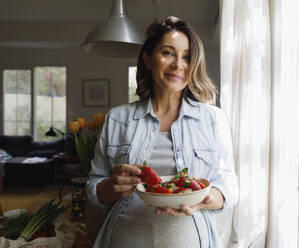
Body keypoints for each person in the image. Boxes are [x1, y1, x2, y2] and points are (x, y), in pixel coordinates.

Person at [86, 16, 238, 248]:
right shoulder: (117, 118)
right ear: (148, 59)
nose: (178, 65)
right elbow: (95, 186)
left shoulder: (213, 119)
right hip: (124, 239)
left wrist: (203, 199)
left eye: (187, 57)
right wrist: (111, 186)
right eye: (168, 53)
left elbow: (228, 187)